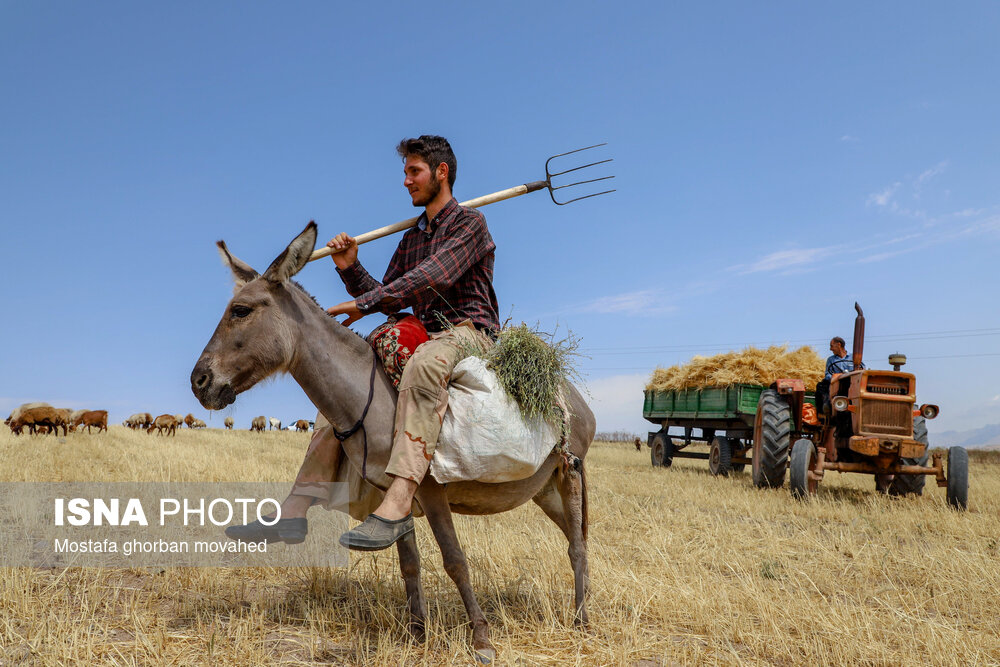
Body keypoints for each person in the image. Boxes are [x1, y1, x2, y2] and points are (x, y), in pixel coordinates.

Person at [225, 135, 500, 550]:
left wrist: (364, 301)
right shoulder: (412, 238)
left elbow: (433, 277)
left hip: (467, 330)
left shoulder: (470, 224)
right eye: (405, 172)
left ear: (441, 173)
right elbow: (390, 293)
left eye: (414, 172)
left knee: (425, 365)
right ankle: (295, 509)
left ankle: (400, 498)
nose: (406, 181)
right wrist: (351, 269)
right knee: (340, 380)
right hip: (423, 332)